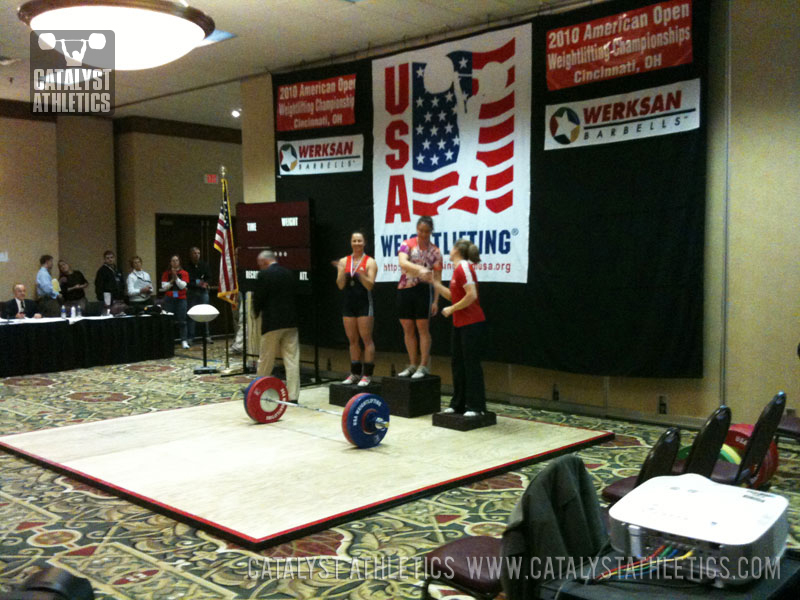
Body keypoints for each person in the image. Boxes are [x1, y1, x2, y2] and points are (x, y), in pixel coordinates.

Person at [429, 239, 487, 417]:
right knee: (458, 364)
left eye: (452, 247)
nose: (450, 250)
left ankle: (476, 407)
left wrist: (452, 309)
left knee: (471, 365)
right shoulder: (457, 270)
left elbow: (472, 295)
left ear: (456, 250)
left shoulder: (464, 268)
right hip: (460, 324)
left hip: (472, 323)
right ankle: (458, 404)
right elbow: (453, 296)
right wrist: (435, 283)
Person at [396, 216, 442, 378]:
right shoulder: (406, 245)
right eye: (420, 230)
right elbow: (403, 263)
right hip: (405, 288)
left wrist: (436, 300)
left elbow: (437, 278)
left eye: (426, 231)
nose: (423, 234)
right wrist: (420, 270)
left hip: (423, 291)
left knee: (422, 328)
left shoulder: (435, 251)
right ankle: (412, 364)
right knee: (407, 328)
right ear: (417, 229)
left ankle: (423, 365)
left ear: (431, 232)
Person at [253, 249, 300, 403]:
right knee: (292, 359)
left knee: (266, 359)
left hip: (272, 322)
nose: (260, 267)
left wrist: (255, 313)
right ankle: (293, 396)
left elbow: (259, 298)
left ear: (265, 261)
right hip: (291, 321)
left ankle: (257, 390)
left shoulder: (264, 275)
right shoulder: (289, 273)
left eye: (260, 264)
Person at [334, 231, 377, 386]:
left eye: (360, 241)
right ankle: (354, 373)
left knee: (366, 339)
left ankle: (367, 375)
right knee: (352, 340)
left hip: (364, 304)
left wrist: (360, 274)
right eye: (354, 241)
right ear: (351, 243)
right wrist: (341, 270)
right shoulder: (345, 260)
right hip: (348, 304)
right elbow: (340, 285)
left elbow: (370, 285)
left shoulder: (370, 262)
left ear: (364, 243)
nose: (357, 243)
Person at [160, 254, 190, 349]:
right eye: (173, 261)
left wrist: (176, 278)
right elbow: (164, 287)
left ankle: (184, 341)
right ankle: (169, 340)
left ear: (179, 262)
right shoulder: (166, 273)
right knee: (169, 320)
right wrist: (172, 280)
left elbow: (182, 286)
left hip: (181, 299)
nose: (175, 262)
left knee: (182, 320)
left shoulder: (184, 273)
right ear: (170, 262)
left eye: (176, 260)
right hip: (169, 299)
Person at [185, 246, 213, 344]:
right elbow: (188, 281)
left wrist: (205, 283)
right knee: (191, 315)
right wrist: (199, 282)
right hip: (192, 292)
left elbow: (209, 277)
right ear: (191, 255)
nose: (197, 255)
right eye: (195, 253)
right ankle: (190, 337)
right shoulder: (187, 266)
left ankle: (207, 335)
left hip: (203, 292)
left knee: (205, 314)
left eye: (198, 253)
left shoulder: (204, 265)